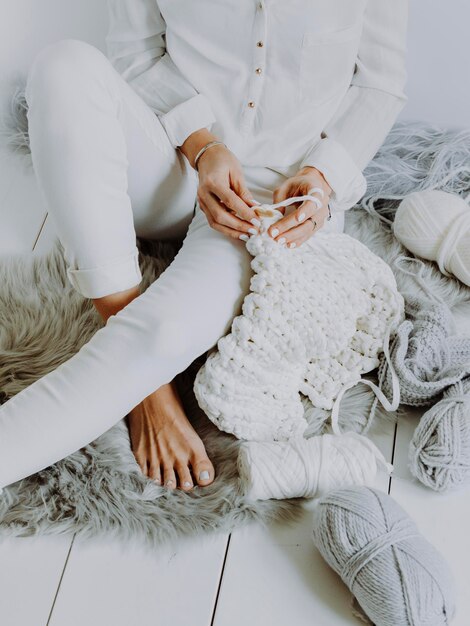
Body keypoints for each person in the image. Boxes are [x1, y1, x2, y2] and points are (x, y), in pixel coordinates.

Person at [0, 0, 408, 494]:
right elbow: (136, 52)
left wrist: (324, 176)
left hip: (271, 202)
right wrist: (204, 146)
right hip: (172, 159)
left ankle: (138, 377)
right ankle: (148, 388)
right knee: (63, 67)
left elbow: (379, 83)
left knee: (163, 334)